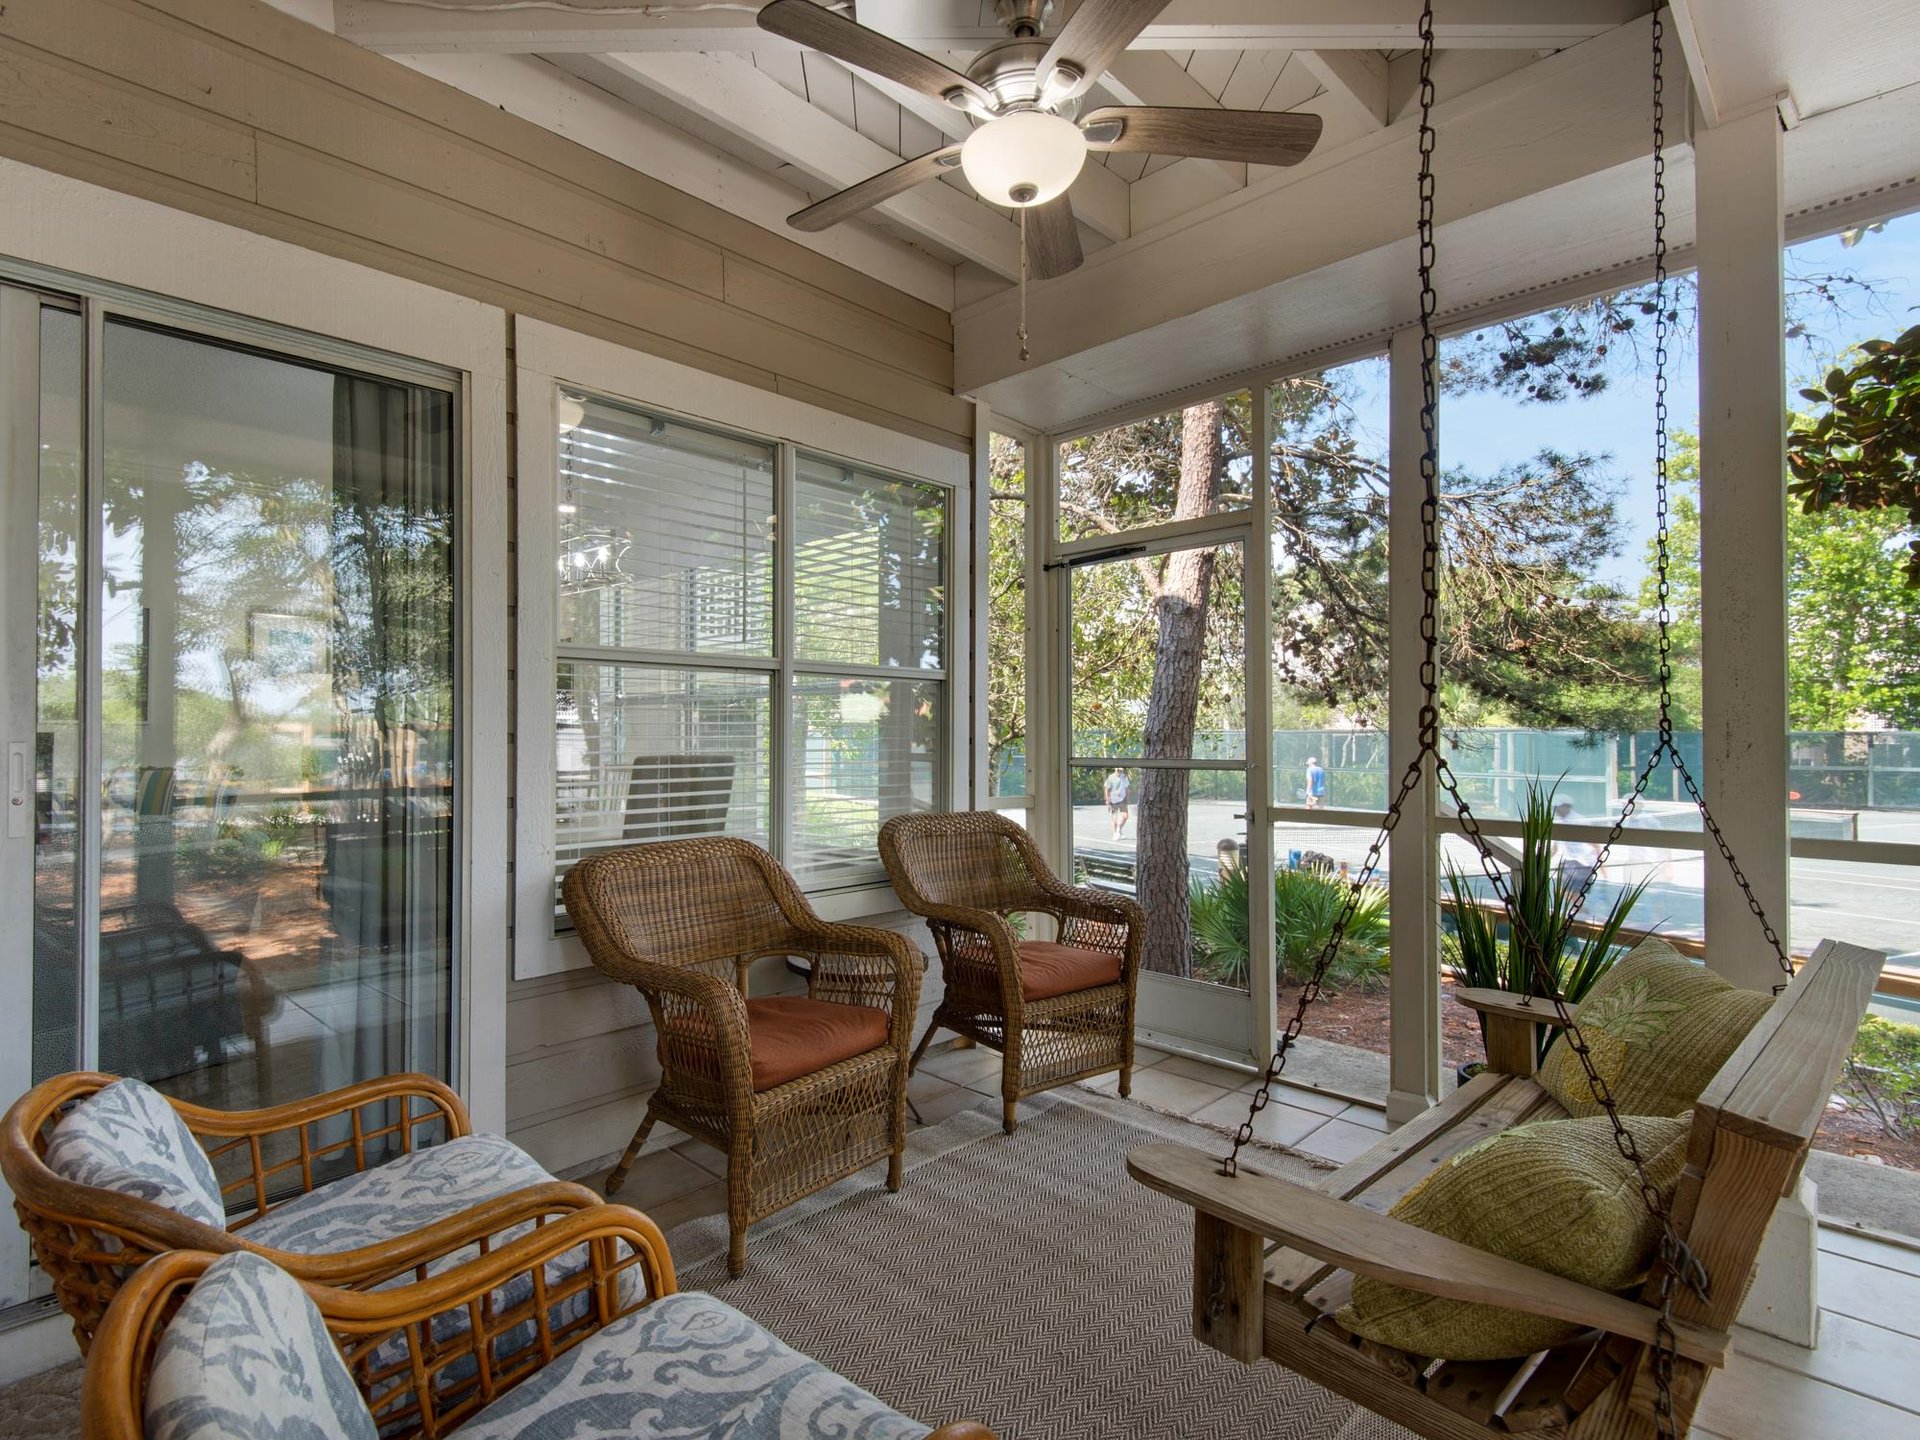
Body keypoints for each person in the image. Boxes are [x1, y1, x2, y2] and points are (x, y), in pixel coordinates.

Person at [1553, 797, 1602, 891]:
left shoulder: (1577, 820)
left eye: (1558, 807)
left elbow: (1595, 844)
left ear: (1566, 807)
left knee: (1573, 895)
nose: (1556, 810)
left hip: (1582, 864)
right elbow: (1555, 848)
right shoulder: (1560, 822)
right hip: (1569, 864)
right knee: (1566, 894)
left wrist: (1602, 866)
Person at [1103, 766, 1131, 840]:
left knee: (1125, 816)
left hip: (1122, 799)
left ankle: (1119, 829)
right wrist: (1107, 800)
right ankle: (1115, 833)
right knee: (1114, 818)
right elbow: (1107, 789)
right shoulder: (1111, 777)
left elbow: (1127, 788)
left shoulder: (1124, 777)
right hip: (1113, 800)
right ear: (1115, 770)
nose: (1119, 772)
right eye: (1118, 770)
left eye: (1121, 770)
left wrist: (1127, 798)